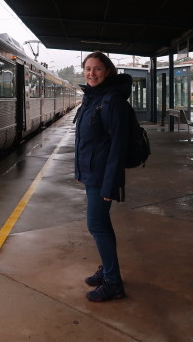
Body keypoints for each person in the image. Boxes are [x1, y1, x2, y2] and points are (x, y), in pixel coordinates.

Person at [74, 51, 131, 302]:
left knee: (96, 225)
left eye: (97, 69)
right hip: (91, 174)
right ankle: (108, 270)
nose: (91, 74)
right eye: (88, 69)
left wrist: (110, 184)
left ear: (107, 71)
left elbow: (118, 147)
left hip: (102, 177)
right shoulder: (92, 98)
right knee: (101, 225)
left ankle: (113, 283)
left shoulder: (112, 102)